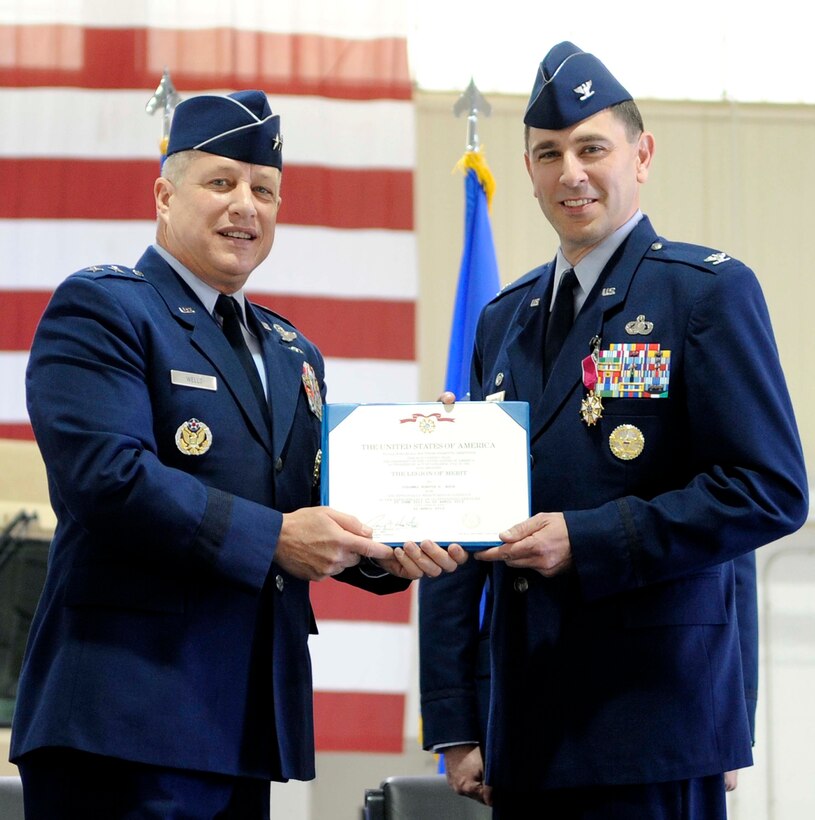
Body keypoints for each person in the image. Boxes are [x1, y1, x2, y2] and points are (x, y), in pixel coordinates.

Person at [10, 89, 466, 819]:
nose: (245, 207)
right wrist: (278, 540)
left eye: (265, 190)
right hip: (123, 717)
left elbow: (318, 503)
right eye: (220, 183)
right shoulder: (103, 309)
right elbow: (108, 479)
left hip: (245, 721)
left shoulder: (293, 354)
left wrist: (402, 522)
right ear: (165, 194)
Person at [419, 42, 808, 819]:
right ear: (527, 170)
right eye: (548, 153)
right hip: (524, 724)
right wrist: (456, 717)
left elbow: (768, 492)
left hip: (654, 714)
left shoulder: (705, 293)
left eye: (591, 147)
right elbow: (462, 509)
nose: (570, 172)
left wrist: (588, 541)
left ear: (641, 154)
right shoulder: (503, 318)